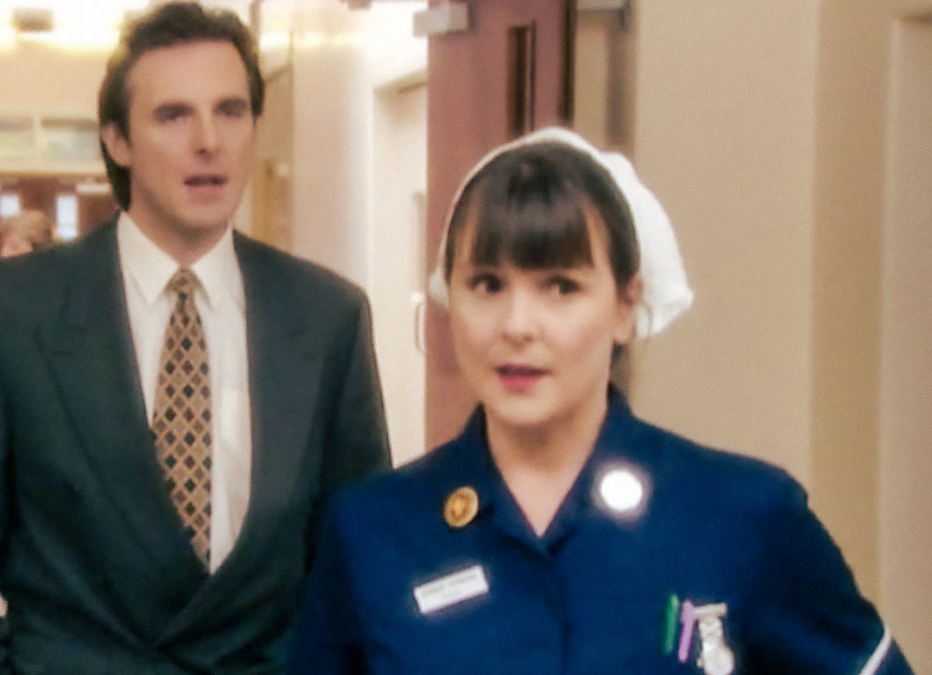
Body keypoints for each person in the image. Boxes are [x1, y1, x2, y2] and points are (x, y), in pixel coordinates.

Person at [291, 127, 913, 674]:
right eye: (487, 284)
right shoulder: (374, 534)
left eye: (560, 287)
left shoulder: (742, 518)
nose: (517, 325)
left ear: (625, 305)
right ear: (447, 296)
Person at [0, 3, 390, 673]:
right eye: (173, 115)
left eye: (231, 111)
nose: (209, 140)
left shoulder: (326, 317)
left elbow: (358, 561)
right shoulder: (6, 315)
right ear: (118, 140)